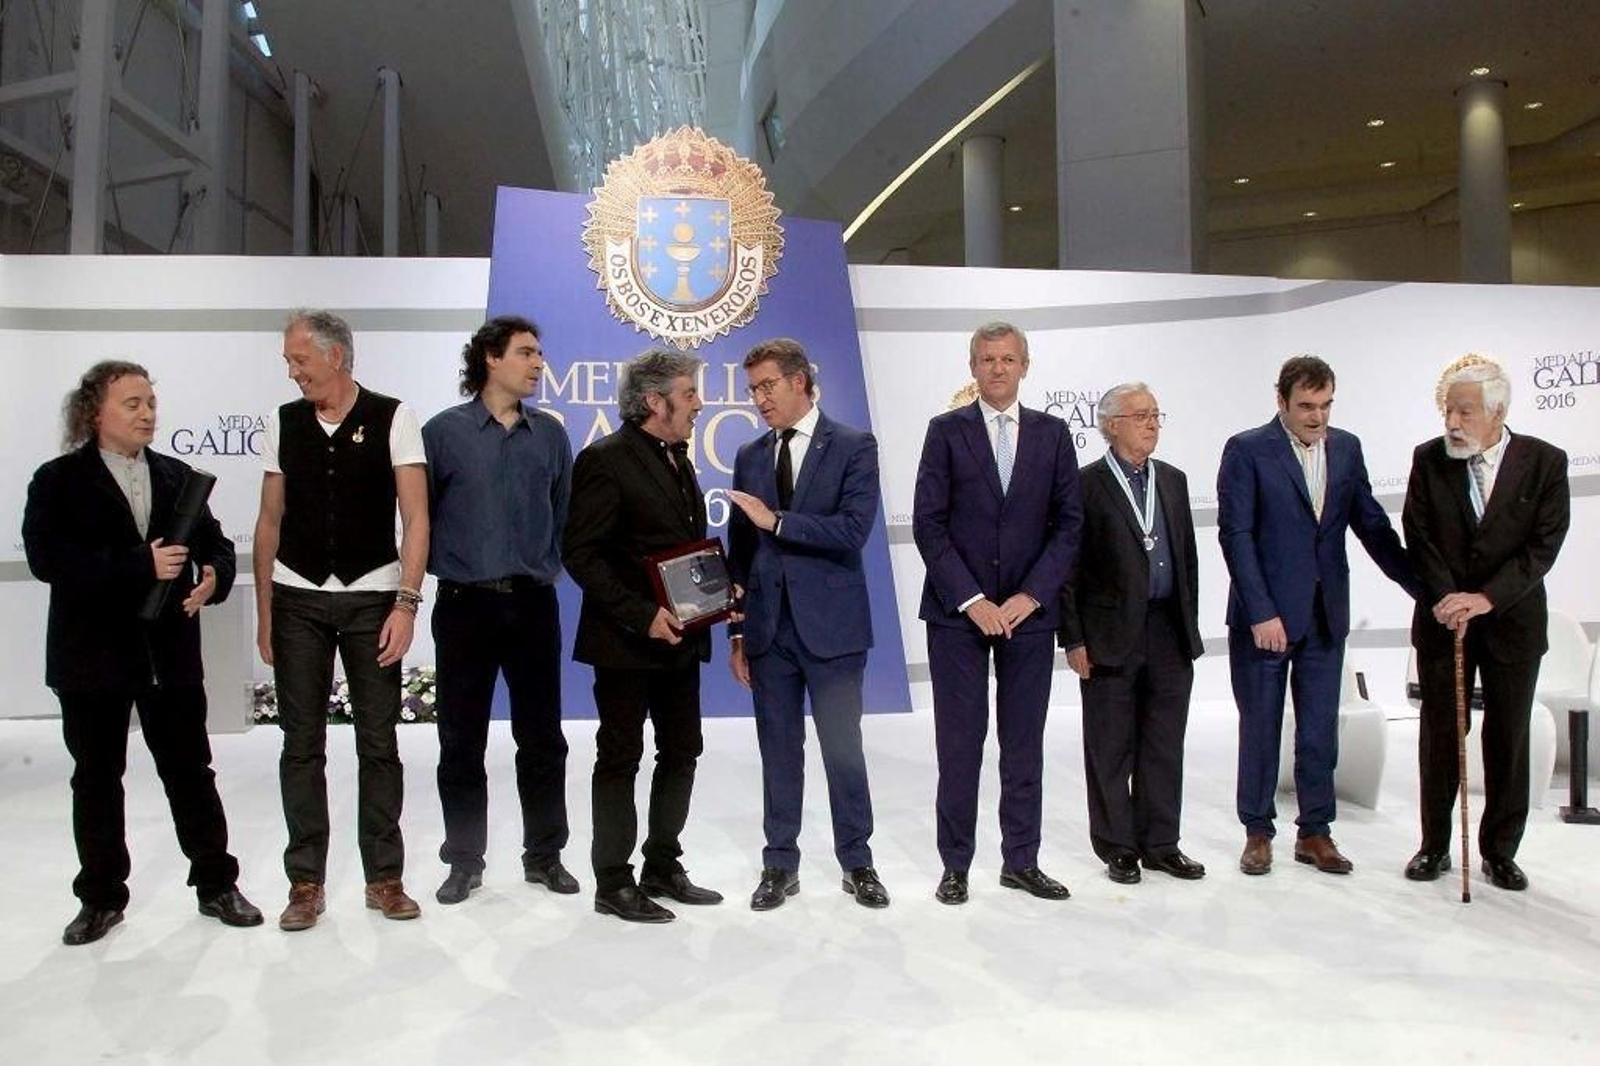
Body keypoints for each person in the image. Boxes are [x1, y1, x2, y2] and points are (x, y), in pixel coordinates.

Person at [23, 360, 261, 945]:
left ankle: (215, 884)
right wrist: (139, 565)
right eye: (132, 403)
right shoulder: (57, 480)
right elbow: (48, 560)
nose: (147, 413)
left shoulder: (179, 476)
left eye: (151, 402)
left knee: (191, 772)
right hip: (91, 659)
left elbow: (217, 548)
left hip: (170, 656)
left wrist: (213, 580)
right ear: (94, 413)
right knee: (97, 779)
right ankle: (101, 898)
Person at [252, 309, 430, 930]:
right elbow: (269, 521)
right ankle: (305, 882)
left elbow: (416, 520)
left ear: (336, 356)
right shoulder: (285, 423)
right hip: (297, 596)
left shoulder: (393, 417)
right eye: (289, 360)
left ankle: (385, 877)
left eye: (299, 358)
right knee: (300, 744)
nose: (292, 370)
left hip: (373, 598)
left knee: (379, 743)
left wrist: (406, 605)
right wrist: (265, 611)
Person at [1218, 354, 1418, 877]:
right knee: (1260, 730)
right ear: (1281, 401)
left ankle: (1315, 832)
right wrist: (1261, 611)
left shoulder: (1347, 448)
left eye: (1326, 406)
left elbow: (1371, 526)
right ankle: (1258, 832)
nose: (1317, 417)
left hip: (1325, 616)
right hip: (1265, 621)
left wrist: (1423, 587)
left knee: (1318, 733)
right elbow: (1235, 536)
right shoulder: (1246, 450)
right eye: (1306, 406)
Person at [912, 321, 1082, 905]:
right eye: (987, 359)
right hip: (959, 615)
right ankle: (955, 865)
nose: (998, 368)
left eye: (1008, 358)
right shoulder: (945, 432)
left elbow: (1069, 527)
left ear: (1025, 365)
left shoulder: (1054, 435)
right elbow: (928, 525)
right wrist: (974, 600)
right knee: (959, 745)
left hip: (1029, 615)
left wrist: (1029, 597)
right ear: (973, 367)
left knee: (1023, 743)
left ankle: (1022, 861)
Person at [564, 349, 725, 923]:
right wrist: (641, 614)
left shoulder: (676, 456)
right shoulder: (605, 459)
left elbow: (678, 548)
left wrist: (715, 597)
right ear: (655, 401)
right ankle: (612, 879)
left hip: (682, 641)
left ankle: (662, 864)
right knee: (621, 757)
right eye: (689, 393)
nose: (699, 403)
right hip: (627, 644)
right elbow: (581, 554)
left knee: (683, 751)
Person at [726, 338, 888, 911]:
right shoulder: (749, 454)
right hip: (770, 631)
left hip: (834, 629)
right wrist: (738, 632)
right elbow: (740, 555)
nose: (759, 399)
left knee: (843, 747)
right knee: (778, 751)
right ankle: (779, 865)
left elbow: (851, 531)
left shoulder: (852, 445)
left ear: (800, 381)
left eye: (768, 386)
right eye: (753, 390)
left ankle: (858, 862)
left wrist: (778, 522)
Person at [422, 316, 578, 905]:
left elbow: (562, 511)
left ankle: (545, 855)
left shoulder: (551, 435)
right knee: (460, 740)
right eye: (527, 353)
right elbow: (423, 516)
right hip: (464, 606)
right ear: (491, 358)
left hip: (535, 604)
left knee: (543, 737)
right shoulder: (443, 433)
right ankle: (464, 860)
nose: (538, 364)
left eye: (540, 354)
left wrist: (546, 563)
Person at [1402, 356, 1569, 892]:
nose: (1452, 421)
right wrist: (1449, 596)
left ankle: (1500, 850)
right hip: (1443, 619)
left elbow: (1542, 547)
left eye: (1465, 411)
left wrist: (1486, 599)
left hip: (1511, 621)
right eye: (1449, 409)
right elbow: (1418, 532)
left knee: (1508, 736)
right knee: (1441, 735)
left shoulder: (1544, 462)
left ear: (1497, 412)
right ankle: (1433, 846)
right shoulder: (1428, 460)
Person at [1059, 383, 1206, 884]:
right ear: (1110, 424)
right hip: (1107, 633)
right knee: (1109, 744)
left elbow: (1187, 560)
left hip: (1167, 628)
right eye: (1141, 415)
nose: (1151, 424)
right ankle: (1118, 845)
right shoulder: (1084, 485)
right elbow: (1067, 570)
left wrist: (1191, 627)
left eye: (1156, 415)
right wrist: (1073, 639)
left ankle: (1161, 842)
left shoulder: (1174, 480)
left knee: (1165, 741)